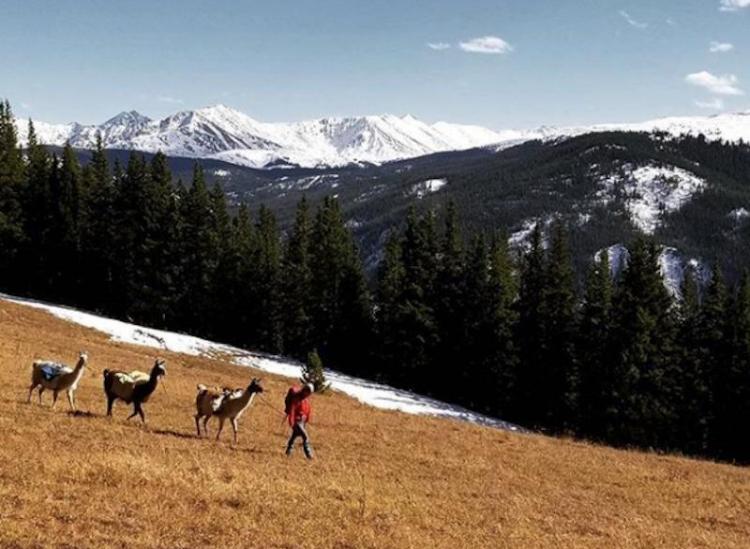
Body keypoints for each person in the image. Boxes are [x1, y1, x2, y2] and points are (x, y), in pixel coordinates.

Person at [284, 383, 314, 459]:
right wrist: (292, 423)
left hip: (301, 422)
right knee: (305, 436)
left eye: (310, 393)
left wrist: (306, 420)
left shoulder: (305, 400)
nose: (309, 394)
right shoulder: (297, 399)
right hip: (296, 421)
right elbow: (292, 410)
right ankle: (308, 454)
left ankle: (288, 451)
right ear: (305, 390)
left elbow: (307, 411)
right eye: (308, 392)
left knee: (294, 436)